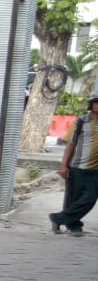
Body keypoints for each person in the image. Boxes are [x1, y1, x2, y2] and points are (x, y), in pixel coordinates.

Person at [49, 90, 98, 236]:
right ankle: (74, 225)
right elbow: (70, 145)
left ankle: (57, 218)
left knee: (90, 198)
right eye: (96, 102)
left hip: (95, 170)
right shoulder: (81, 122)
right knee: (73, 199)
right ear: (91, 104)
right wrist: (63, 165)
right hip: (77, 167)